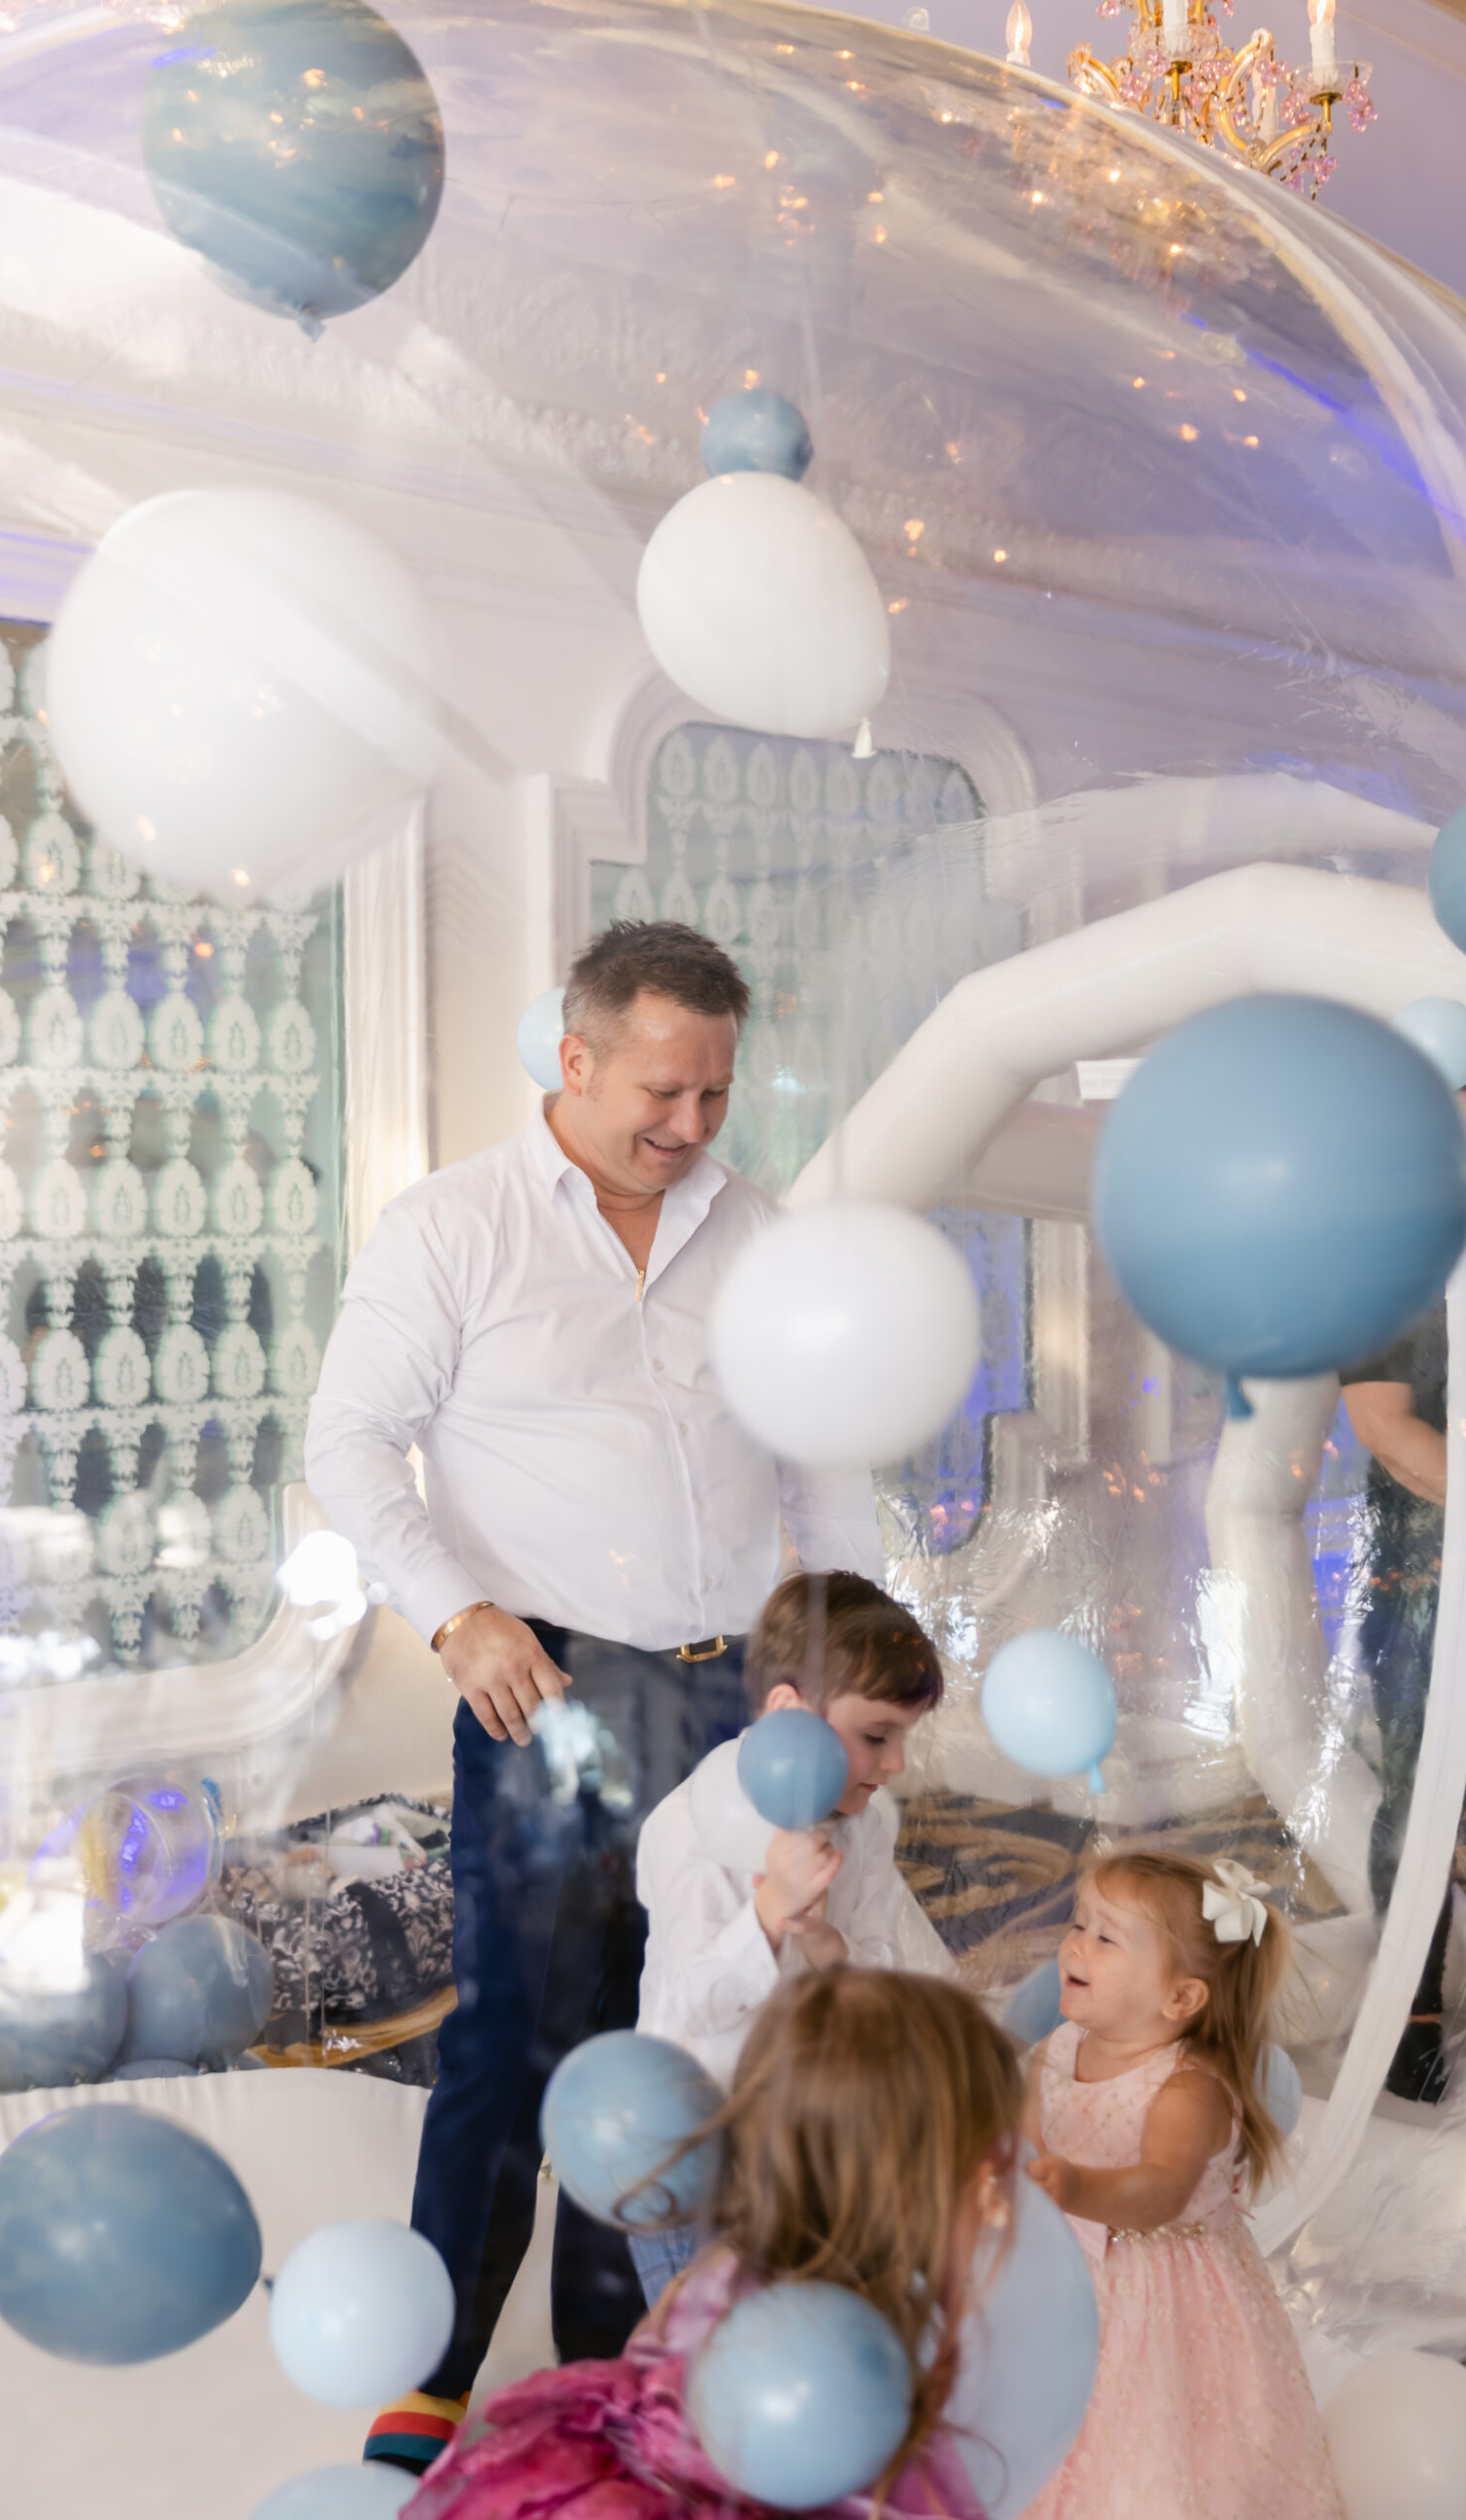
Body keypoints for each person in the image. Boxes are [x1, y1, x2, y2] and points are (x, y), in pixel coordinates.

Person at [304, 920, 883, 2475]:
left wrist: (835, 1684)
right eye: (660, 1089)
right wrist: (457, 1615)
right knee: (520, 2038)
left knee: (684, 2034)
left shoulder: (761, 1238)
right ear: (574, 1058)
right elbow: (349, 1440)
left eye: (713, 1094)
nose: (689, 1127)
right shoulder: (454, 1227)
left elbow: (824, 1470)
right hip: (546, 1687)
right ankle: (426, 2379)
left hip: (737, 1701)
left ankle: (610, 2363)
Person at [407, 1970, 1021, 2520]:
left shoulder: (721, 2274)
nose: (1001, 2198)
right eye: (987, 2169)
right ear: (909, 2187)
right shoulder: (851, 2368)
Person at [628, 1568, 945, 2302]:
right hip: (692, 2148)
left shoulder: (860, 1826)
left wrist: (829, 1945)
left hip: (798, 2138)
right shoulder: (694, 1824)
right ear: (788, 1711)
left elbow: (875, 1967)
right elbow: (683, 2008)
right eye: (876, 1736)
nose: (895, 1764)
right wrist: (769, 1917)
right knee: (706, 2364)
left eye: (903, 1738)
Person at [1018, 1852, 1344, 2520]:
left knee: (1146, 2433)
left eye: (1105, 1938)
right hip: (1057, 2276)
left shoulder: (1186, 2088)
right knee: (1046, 2422)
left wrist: (1072, 2184)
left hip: (1157, 2289)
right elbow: (1021, 2150)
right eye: (1077, 1924)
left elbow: (1159, 2190)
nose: (1074, 1943)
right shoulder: (1051, 2052)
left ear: (1179, 1997)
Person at [1340, 1059, 1466, 2105]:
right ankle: (1414, 2019)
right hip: (1420, 1583)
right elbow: (1385, 1428)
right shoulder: (1386, 1271)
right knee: (1419, 1806)